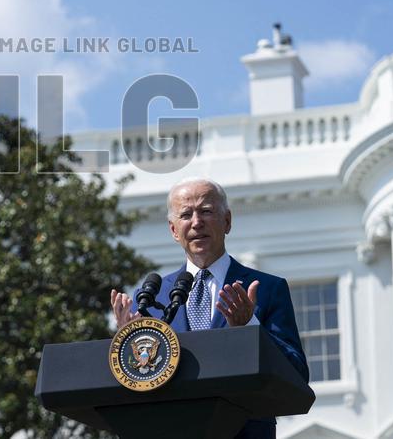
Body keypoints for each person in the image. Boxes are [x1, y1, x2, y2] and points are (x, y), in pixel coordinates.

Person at [110, 177, 308, 439]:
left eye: (206, 211)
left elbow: (296, 373)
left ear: (227, 221)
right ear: (173, 230)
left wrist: (249, 327)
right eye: (186, 215)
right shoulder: (149, 300)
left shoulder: (267, 289)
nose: (196, 222)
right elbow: (139, 384)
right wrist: (127, 345)